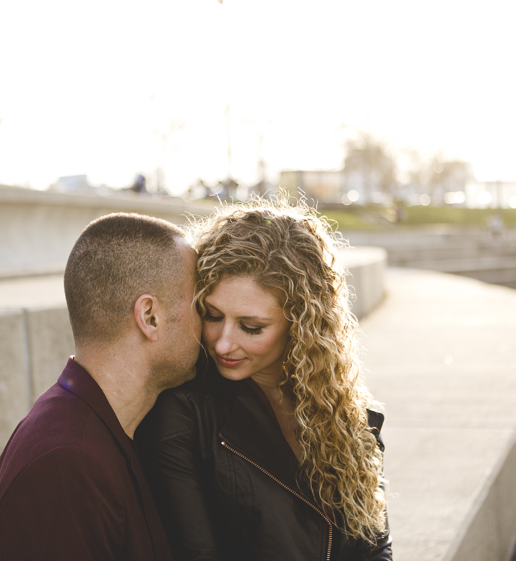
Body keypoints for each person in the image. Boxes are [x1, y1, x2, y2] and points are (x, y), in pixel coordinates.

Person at [137, 199, 392, 561]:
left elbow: (374, 545)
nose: (222, 342)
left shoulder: (345, 413)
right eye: (212, 315)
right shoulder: (181, 415)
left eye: (251, 327)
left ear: (302, 325)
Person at [0, 212, 202, 561]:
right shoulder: (68, 466)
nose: (212, 331)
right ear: (150, 317)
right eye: (199, 305)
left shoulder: (94, 432)